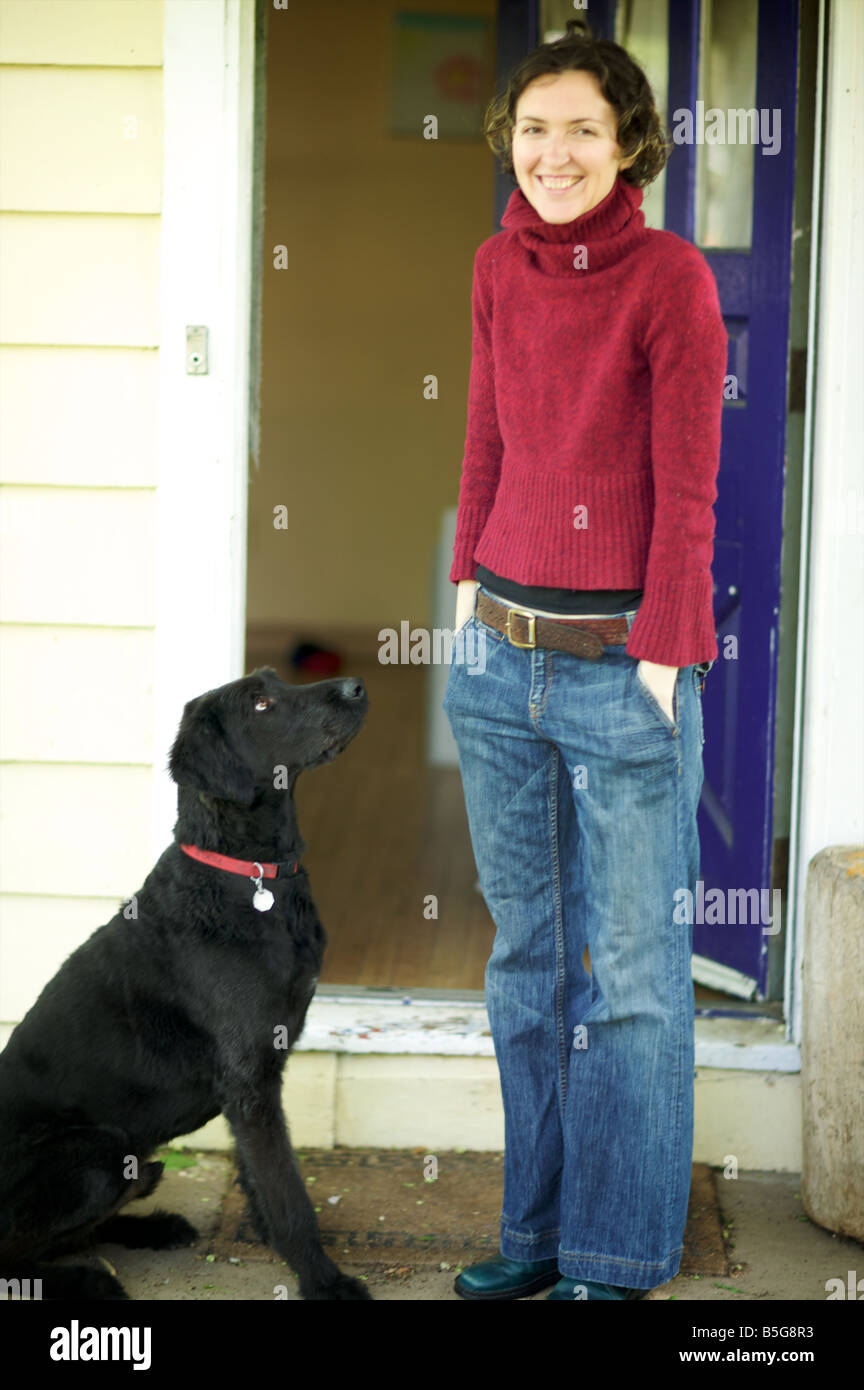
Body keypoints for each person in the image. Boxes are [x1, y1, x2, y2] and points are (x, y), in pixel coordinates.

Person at [442, 21, 728, 1302]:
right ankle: (539, 1231)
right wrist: (462, 589)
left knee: (634, 984)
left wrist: (666, 651)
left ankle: (614, 1259)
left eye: (585, 130)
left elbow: (688, 488)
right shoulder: (497, 269)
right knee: (526, 965)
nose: (555, 153)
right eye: (536, 127)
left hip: (626, 672)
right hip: (501, 664)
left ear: (630, 146)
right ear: (511, 135)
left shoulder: (670, 278)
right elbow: (488, 437)